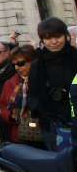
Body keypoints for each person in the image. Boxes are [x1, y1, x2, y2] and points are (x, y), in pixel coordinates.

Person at [28, 17, 77, 150]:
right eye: (48, 38)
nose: (54, 42)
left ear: (66, 36)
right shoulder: (37, 65)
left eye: (58, 36)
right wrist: (43, 113)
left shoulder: (75, 57)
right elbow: (33, 94)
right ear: (42, 40)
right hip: (52, 125)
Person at [0, 45, 43, 147]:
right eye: (14, 64)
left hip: (47, 134)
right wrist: (11, 116)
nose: (17, 67)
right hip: (21, 136)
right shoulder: (10, 83)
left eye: (21, 63)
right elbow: (2, 106)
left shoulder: (44, 79)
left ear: (33, 61)